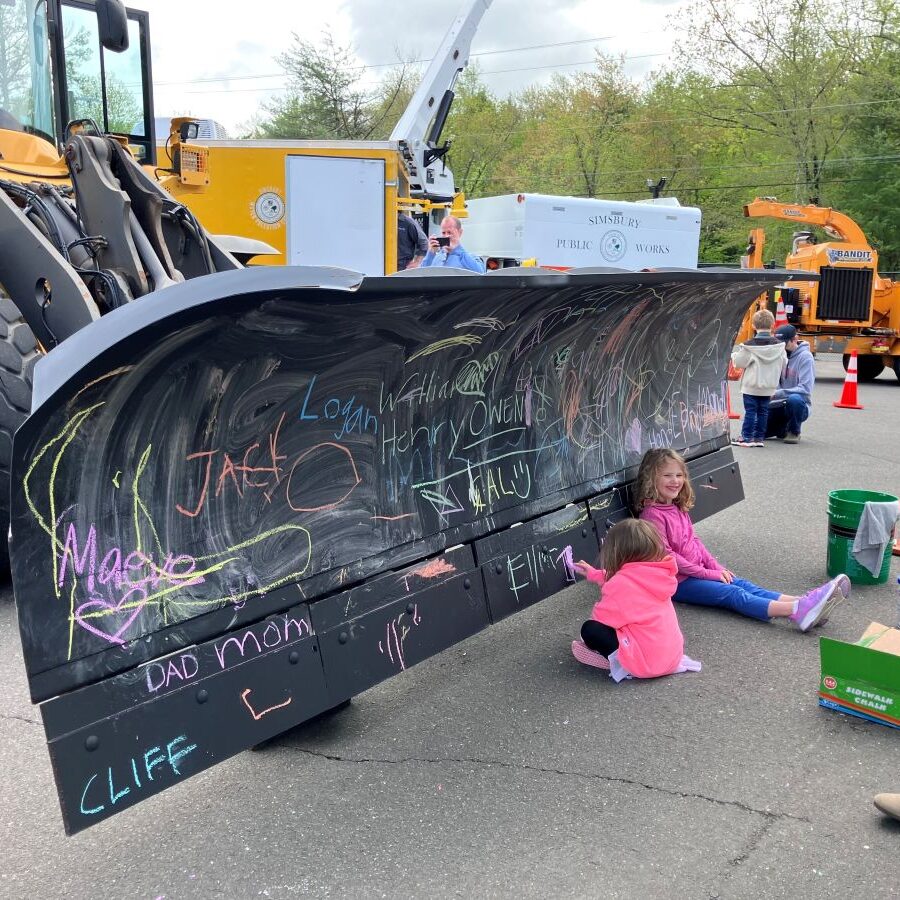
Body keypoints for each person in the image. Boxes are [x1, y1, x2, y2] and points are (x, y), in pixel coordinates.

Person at [636, 448, 849, 630]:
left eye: (679, 475)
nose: (675, 481)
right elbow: (667, 557)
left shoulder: (676, 506)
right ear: (652, 479)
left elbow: (695, 542)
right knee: (733, 593)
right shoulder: (652, 515)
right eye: (667, 476)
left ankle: (807, 603)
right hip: (678, 582)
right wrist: (708, 573)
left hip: (698, 571)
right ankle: (798, 611)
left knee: (742, 583)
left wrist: (716, 567)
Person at [570, 518, 696, 679]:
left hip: (646, 664)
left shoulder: (621, 583)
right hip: (671, 657)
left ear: (617, 552)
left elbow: (601, 618)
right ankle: (624, 658)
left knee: (590, 629)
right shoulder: (658, 573)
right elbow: (628, 577)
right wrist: (595, 574)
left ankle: (619, 663)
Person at [730, 309, 786, 448]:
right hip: (769, 386)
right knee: (763, 411)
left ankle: (746, 437)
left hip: (752, 385)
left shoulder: (749, 346)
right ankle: (759, 437)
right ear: (773, 324)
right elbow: (784, 362)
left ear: (754, 326)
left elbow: (739, 362)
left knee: (750, 411)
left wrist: (733, 356)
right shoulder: (779, 346)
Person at [765, 324, 814, 444]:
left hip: (798, 404)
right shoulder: (778, 356)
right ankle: (782, 428)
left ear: (794, 340)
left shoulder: (805, 357)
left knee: (795, 399)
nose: (781, 347)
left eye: (784, 343)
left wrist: (777, 393)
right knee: (758, 431)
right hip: (777, 404)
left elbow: (805, 389)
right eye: (778, 344)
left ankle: (794, 431)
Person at [420, 215, 485, 273]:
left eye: (449, 232)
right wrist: (430, 253)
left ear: (460, 232)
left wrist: (456, 250)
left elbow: (480, 272)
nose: (446, 236)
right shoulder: (435, 256)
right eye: (443, 233)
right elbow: (421, 275)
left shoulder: (467, 257)